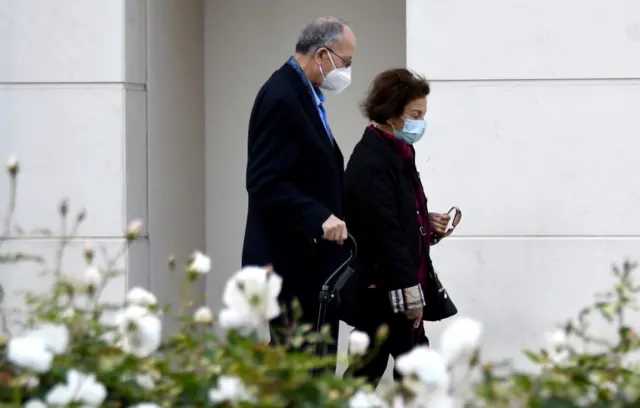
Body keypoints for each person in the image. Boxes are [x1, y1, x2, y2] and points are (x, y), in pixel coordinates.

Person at [241, 17, 356, 353]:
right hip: (293, 265)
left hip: (313, 265)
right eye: (345, 62)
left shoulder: (305, 94)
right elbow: (263, 182)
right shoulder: (281, 96)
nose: (347, 71)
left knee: (316, 370)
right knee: (302, 374)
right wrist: (319, 216)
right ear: (322, 54)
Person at [342, 69, 451, 384]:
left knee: (392, 373)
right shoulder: (372, 162)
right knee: (378, 373)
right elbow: (383, 231)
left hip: (395, 286)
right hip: (385, 291)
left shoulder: (398, 152)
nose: (421, 123)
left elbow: (395, 213)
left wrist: (425, 222)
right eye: (415, 114)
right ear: (392, 113)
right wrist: (410, 294)